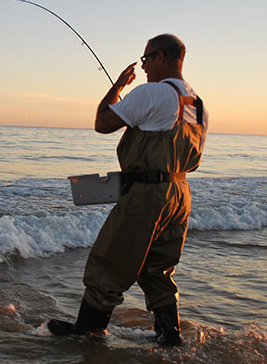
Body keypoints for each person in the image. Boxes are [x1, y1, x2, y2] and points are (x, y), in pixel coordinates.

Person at [48, 34, 208, 346]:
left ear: (161, 57)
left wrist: (118, 87)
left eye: (146, 58)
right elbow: (191, 157)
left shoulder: (153, 93)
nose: (144, 66)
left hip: (147, 195)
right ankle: (169, 335)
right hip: (179, 193)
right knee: (158, 269)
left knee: (109, 260)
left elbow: (103, 122)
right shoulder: (197, 104)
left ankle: (88, 329)